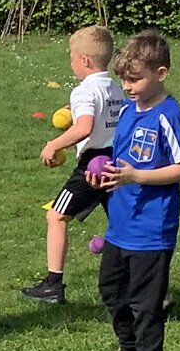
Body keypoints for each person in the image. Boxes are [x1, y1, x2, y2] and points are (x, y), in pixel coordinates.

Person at [87, 30, 180, 351]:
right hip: (120, 223)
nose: (127, 86)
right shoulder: (131, 111)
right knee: (111, 291)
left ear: (160, 73)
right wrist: (106, 173)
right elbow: (122, 160)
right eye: (123, 79)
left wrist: (137, 176)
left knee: (145, 305)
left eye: (135, 79)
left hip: (152, 228)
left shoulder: (170, 115)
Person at [22, 24, 123, 305]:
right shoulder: (115, 87)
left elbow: (84, 127)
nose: (70, 62)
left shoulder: (84, 91)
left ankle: (53, 284)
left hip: (92, 167)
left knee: (56, 216)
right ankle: (147, 286)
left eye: (71, 56)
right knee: (122, 223)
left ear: (85, 60)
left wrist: (54, 144)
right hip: (117, 162)